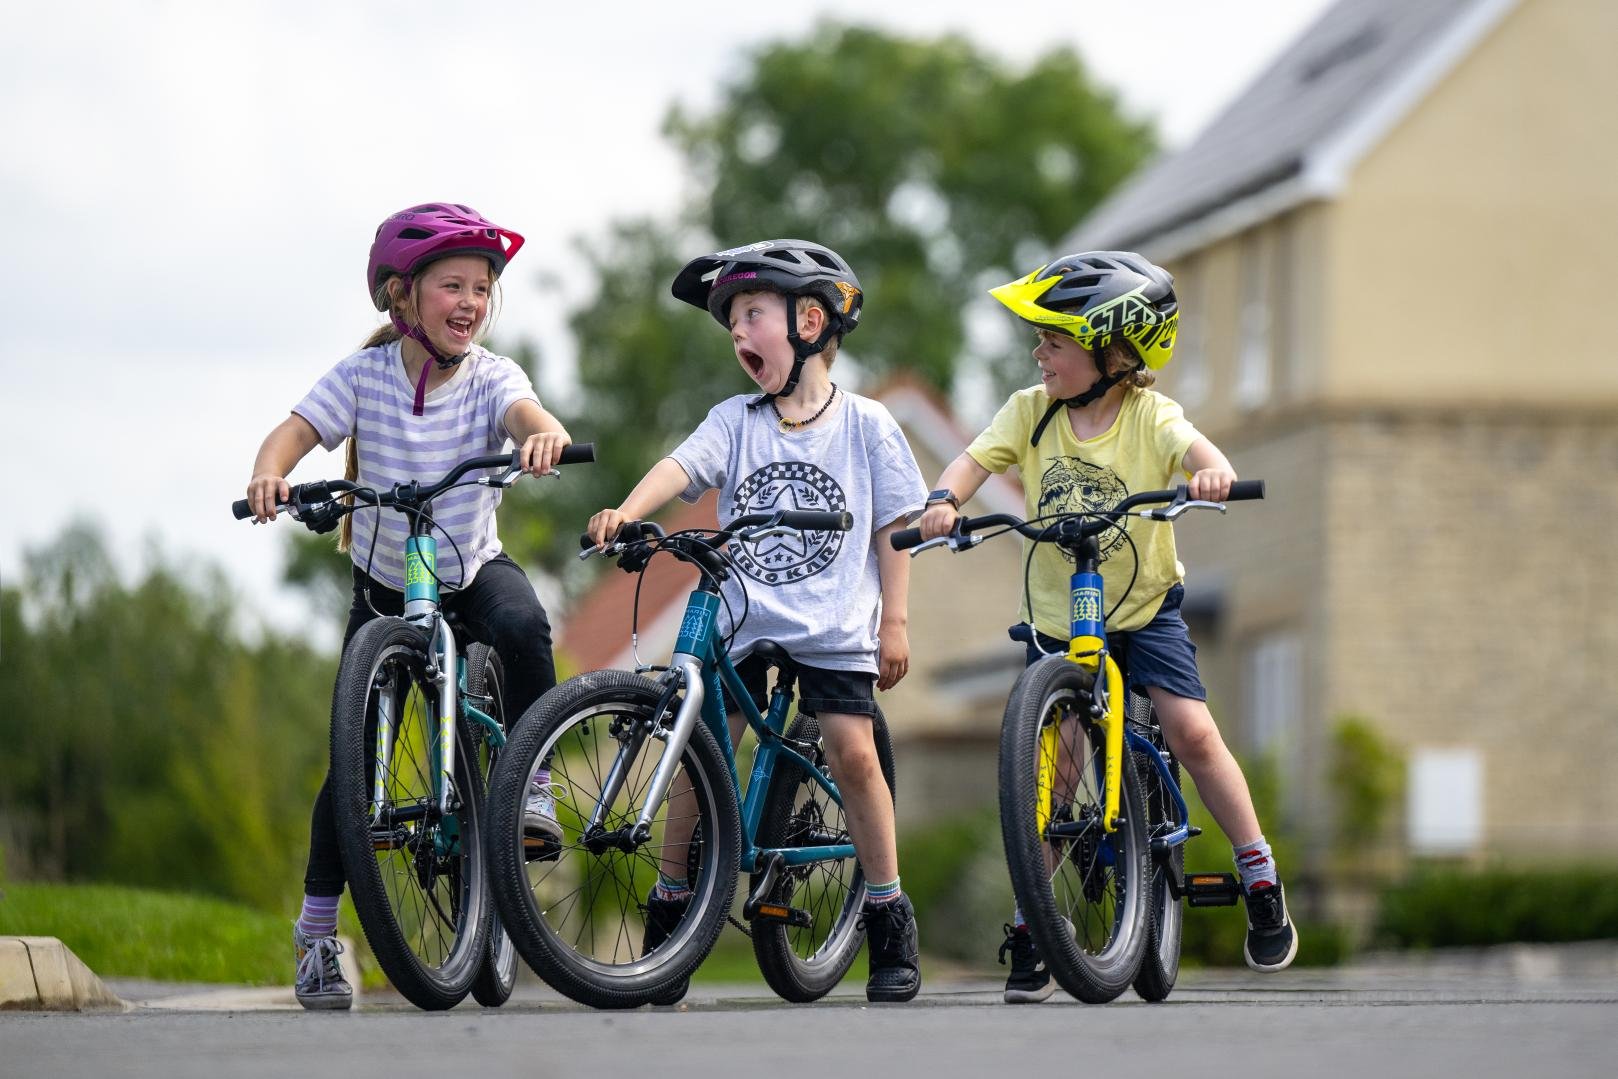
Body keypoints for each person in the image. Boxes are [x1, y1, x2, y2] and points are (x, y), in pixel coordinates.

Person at [917, 250, 1298, 1003]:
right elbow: (970, 461)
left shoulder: (1152, 417)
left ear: (1111, 350)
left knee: (1192, 732)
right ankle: (1035, 921)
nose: (1039, 354)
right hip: (1059, 620)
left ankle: (1258, 871)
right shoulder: (1030, 410)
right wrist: (943, 500)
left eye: (1054, 341)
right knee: (1054, 773)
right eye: (1039, 341)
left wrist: (1211, 476)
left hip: (1143, 608)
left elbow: (1205, 458)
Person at [244, 202, 573, 1010]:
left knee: (524, 624)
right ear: (402, 296)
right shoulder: (363, 377)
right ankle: (317, 933)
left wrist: (542, 436)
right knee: (351, 759)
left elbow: (529, 415)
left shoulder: (492, 376)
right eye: (452, 286)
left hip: (470, 569)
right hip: (385, 586)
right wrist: (269, 473)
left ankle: (532, 783)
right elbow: (294, 432)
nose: (471, 302)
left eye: (482, 289)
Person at [585, 239, 928, 1003]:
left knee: (853, 751)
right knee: (698, 754)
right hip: (747, 617)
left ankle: (887, 911)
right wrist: (628, 511)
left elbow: (896, 526)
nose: (738, 333)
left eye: (751, 315)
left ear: (810, 321)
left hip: (834, 624)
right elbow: (680, 466)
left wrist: (895, 621)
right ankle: (673, 905)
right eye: (732, 323)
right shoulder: (736, 420)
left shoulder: (867, 424)